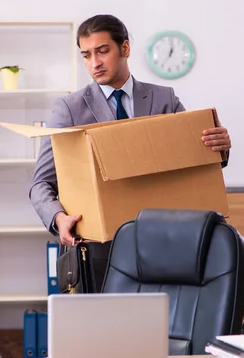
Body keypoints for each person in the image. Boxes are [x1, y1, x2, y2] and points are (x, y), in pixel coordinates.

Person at [29, 14, 232, 247]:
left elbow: (192, 160)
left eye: (102, 51)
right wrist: (59, 219)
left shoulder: (163, 99)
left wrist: (219, 147)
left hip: (163, 237)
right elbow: (41, 183)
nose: (94, 63)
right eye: (87, 55)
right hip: (97, 243)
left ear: (124, 48)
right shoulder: (69, 109)